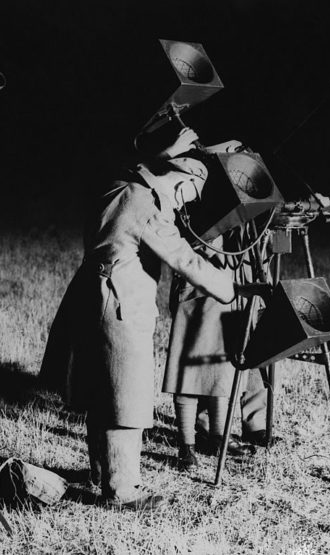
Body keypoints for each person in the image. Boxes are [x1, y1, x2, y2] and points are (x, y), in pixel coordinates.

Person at [40, 129, 251, 510]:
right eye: (189, 194)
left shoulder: (119, 186)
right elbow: (184, 259)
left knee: (100, 396)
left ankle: (100, 474)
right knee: (126, 398)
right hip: (121, 306)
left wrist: (171, 152)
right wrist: (230, 287)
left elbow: (138, 176)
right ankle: (123, 489)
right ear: (180, 180)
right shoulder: (144, 205)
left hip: (91, 298)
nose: (187, 204)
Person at [163, 226, 270, 470]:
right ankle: (186, 447)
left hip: (228, 292)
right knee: (186, 375)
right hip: (196, 288)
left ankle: (219, 438)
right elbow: (193, 244)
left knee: (222, 366)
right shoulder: (194, 202)